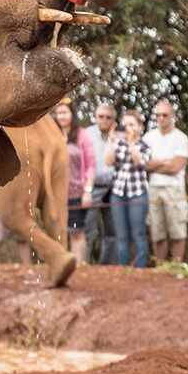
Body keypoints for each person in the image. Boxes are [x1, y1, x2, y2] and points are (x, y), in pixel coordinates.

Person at [143, 99, 188, 264]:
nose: (161, 118)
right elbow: (144, 165)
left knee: (177, 231)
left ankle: (176, 267)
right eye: (158, 115)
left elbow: (176, 167)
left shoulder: (181, 138)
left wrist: (156, 163)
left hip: (174, 188)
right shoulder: (148, 137)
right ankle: (160, 269)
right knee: (157, 231)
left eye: (165, 115)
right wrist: (165, 162)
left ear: (172, 116)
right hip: (154, 188)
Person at [106, 110, 152, 268]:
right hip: (118, 193)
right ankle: (122, 270)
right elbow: (108, 161)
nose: (128, 128)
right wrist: (111, 141)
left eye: (132, 124)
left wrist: (132, 143)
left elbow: (139, 162)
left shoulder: (144, 146)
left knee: (138, 234)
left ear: (140, 126)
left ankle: (140, 270)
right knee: (121, 236)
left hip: (137, 193)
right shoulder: (118, 143)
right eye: (126, 125)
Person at [53, 99, 95, 264]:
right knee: (59, 231)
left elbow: (91, 166)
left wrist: (88, 192)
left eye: (64, 112)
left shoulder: (82, 135)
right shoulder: (53, 135)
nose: (61, 116)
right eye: (58, 113)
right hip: (56, 193)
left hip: (77, 192)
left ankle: (78, 265)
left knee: (76, 232)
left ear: (72, 114)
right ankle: (63, 265)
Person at [84, 103, 118, 264]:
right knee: (87, 230)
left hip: (114, 188)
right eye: (101, 117)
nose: (104, 120)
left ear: (113, 119)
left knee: (112, 231)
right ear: (95, 117)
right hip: (93, 187)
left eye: (108, 117)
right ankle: (82, 264)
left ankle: (106, 267)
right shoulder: (86, 134)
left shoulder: (121, 136)